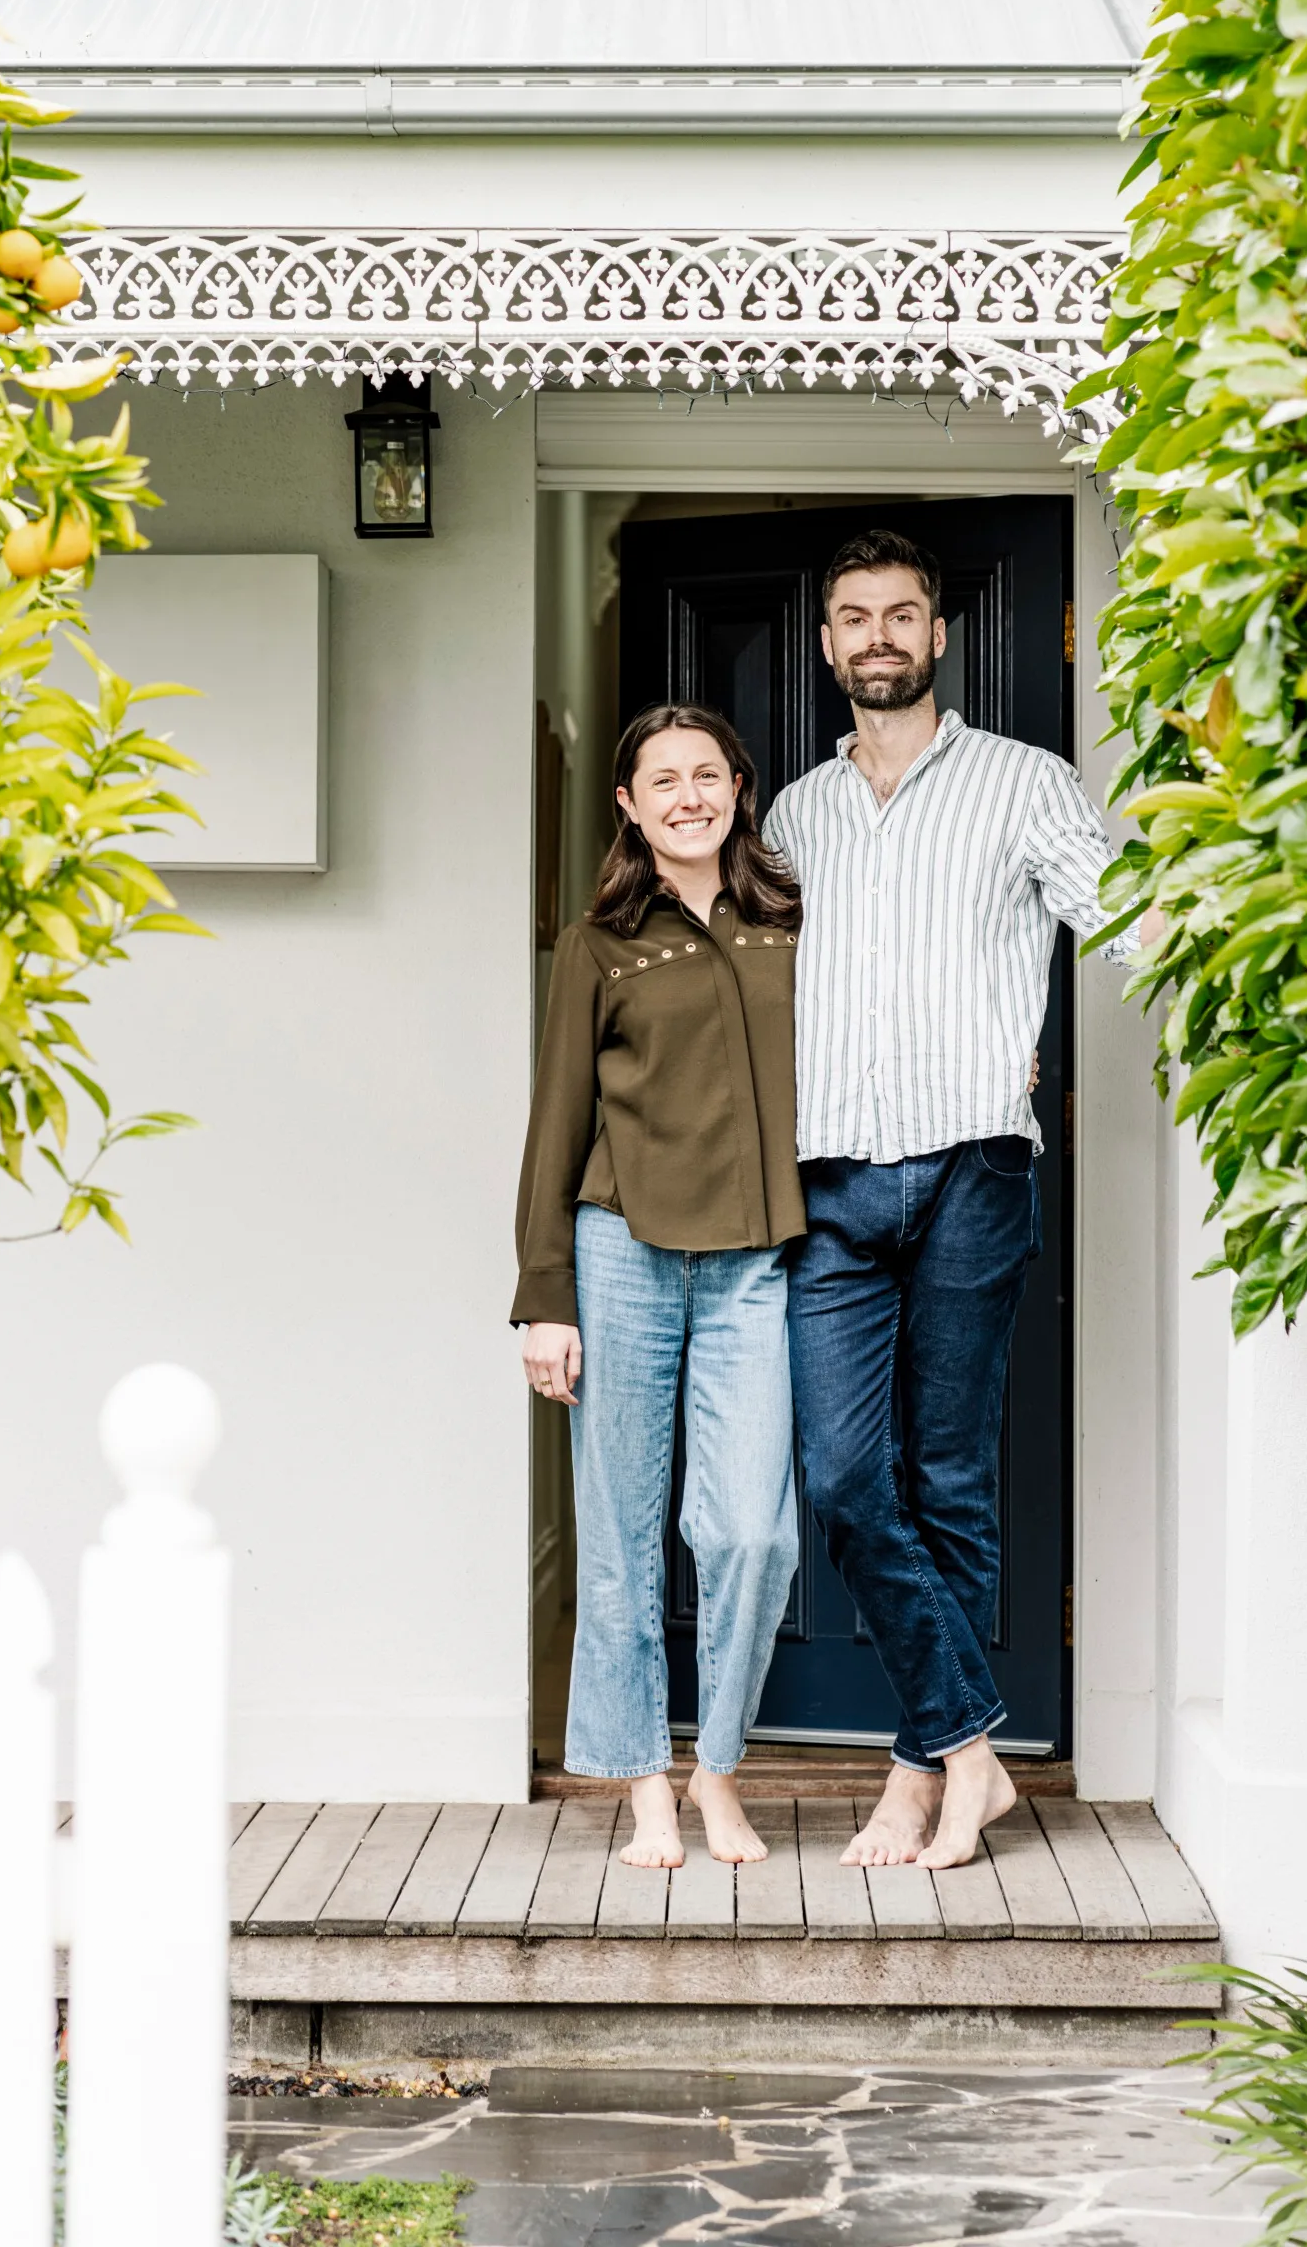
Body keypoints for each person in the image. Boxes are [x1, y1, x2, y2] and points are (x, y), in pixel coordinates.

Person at [763, 529, 1152, 1873]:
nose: (877, 634)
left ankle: (915, 1775)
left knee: (949, 1476)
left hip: (975, 1163)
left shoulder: (1025, 783)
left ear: (940, 637)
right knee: (845, 1475)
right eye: (853, 614)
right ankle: (975, 1748)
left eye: (901, 614)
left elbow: (1128, 920)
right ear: (826, 645)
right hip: (828, 1182)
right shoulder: (794, 817)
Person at [513, 705, 805, 1871]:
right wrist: (546, 1298)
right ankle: (643, 1786)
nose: (689, 796)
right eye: (661, 781)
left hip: (759, 1258)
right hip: (620, 1250)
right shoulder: (598, 943)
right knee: (624, 1537)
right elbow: (555, 1126)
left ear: (740, 785)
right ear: (628, 806)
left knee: (748, 1534)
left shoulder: (792, 920)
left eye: (708, 774)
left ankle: (717, 1770)